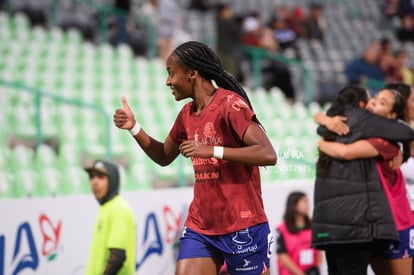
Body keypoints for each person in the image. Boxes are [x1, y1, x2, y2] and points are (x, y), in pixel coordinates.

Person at [113, 41, 277, 275]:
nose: (168, 81)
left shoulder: (230, 104)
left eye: (171, 73)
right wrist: (134, 127)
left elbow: (268, 154)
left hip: (243, 225)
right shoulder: (186, 114)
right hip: (201, 225)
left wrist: (213, 151)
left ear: (192, 73)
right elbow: (163, 156)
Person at [312, 85, 414, 275]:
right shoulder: (362, 129)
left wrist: (322, 142)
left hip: (397, 221)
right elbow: (322, 121)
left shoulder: (382, 141)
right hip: (376, 223)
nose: (374, 102)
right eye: (374, 98)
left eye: (382, 102)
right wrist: (324, 119)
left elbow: (344, 152)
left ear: (392, 116)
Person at [84, 160, 136, 275]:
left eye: (100, 177)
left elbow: (117, 256)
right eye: (92, 177)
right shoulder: (106, 207)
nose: (94, 182)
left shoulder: (118, 208)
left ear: (112, 180)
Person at [276, 191, 323, 275]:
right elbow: (282, 255)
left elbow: (319, 249)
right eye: (304, 201)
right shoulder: (282, 229)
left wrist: (317, 269)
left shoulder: (313, 225)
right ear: (294, 205)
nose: (308, 205)